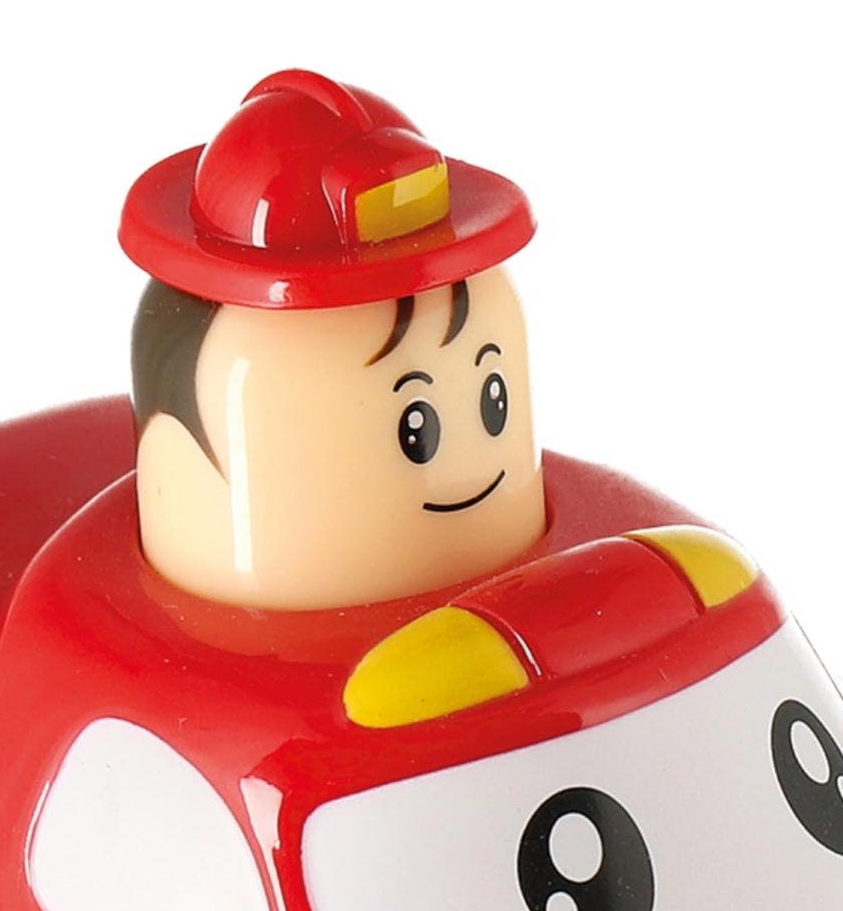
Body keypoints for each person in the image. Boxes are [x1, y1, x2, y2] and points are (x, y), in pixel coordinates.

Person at [120, 70, 548, 611]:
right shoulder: (244, 355)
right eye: (416, 429)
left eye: (494, 402)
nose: (470, 473)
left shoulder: (492, 298)